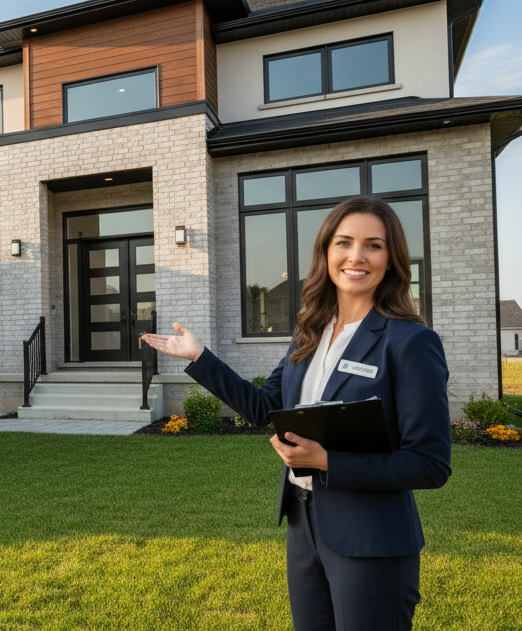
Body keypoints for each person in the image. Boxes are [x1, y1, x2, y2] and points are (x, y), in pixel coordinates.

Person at [141, 196, 450, 631]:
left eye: (373, 245)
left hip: (371, 540)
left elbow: (430, 463)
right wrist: (199, 357)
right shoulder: (310, 332)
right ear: (326, 252)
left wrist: (326, 461)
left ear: (391, 259)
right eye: (344, 242)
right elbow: (267, 408)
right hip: (305, 525)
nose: (356, 256)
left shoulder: (410, 342)